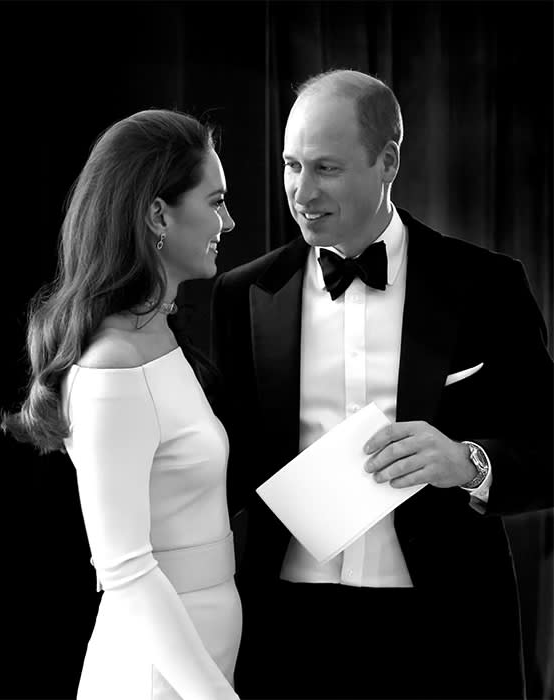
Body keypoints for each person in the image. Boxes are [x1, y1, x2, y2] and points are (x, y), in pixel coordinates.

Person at [211, 70, 553, 699]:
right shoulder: (242, 297)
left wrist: (470, 463)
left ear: (388, 161)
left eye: (326, 168)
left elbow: (551, 444)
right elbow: (224, 462)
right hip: (287, 633)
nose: (301, 192)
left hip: (446, 632)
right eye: (291, 166)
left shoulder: (487, 285)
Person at [2, 109, 242, 699]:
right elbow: (125, 569)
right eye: (214, 202)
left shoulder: (158, 335)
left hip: (192, 657)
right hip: (154, 675)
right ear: (158, 213)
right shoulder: (113, 366)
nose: (229, 221)